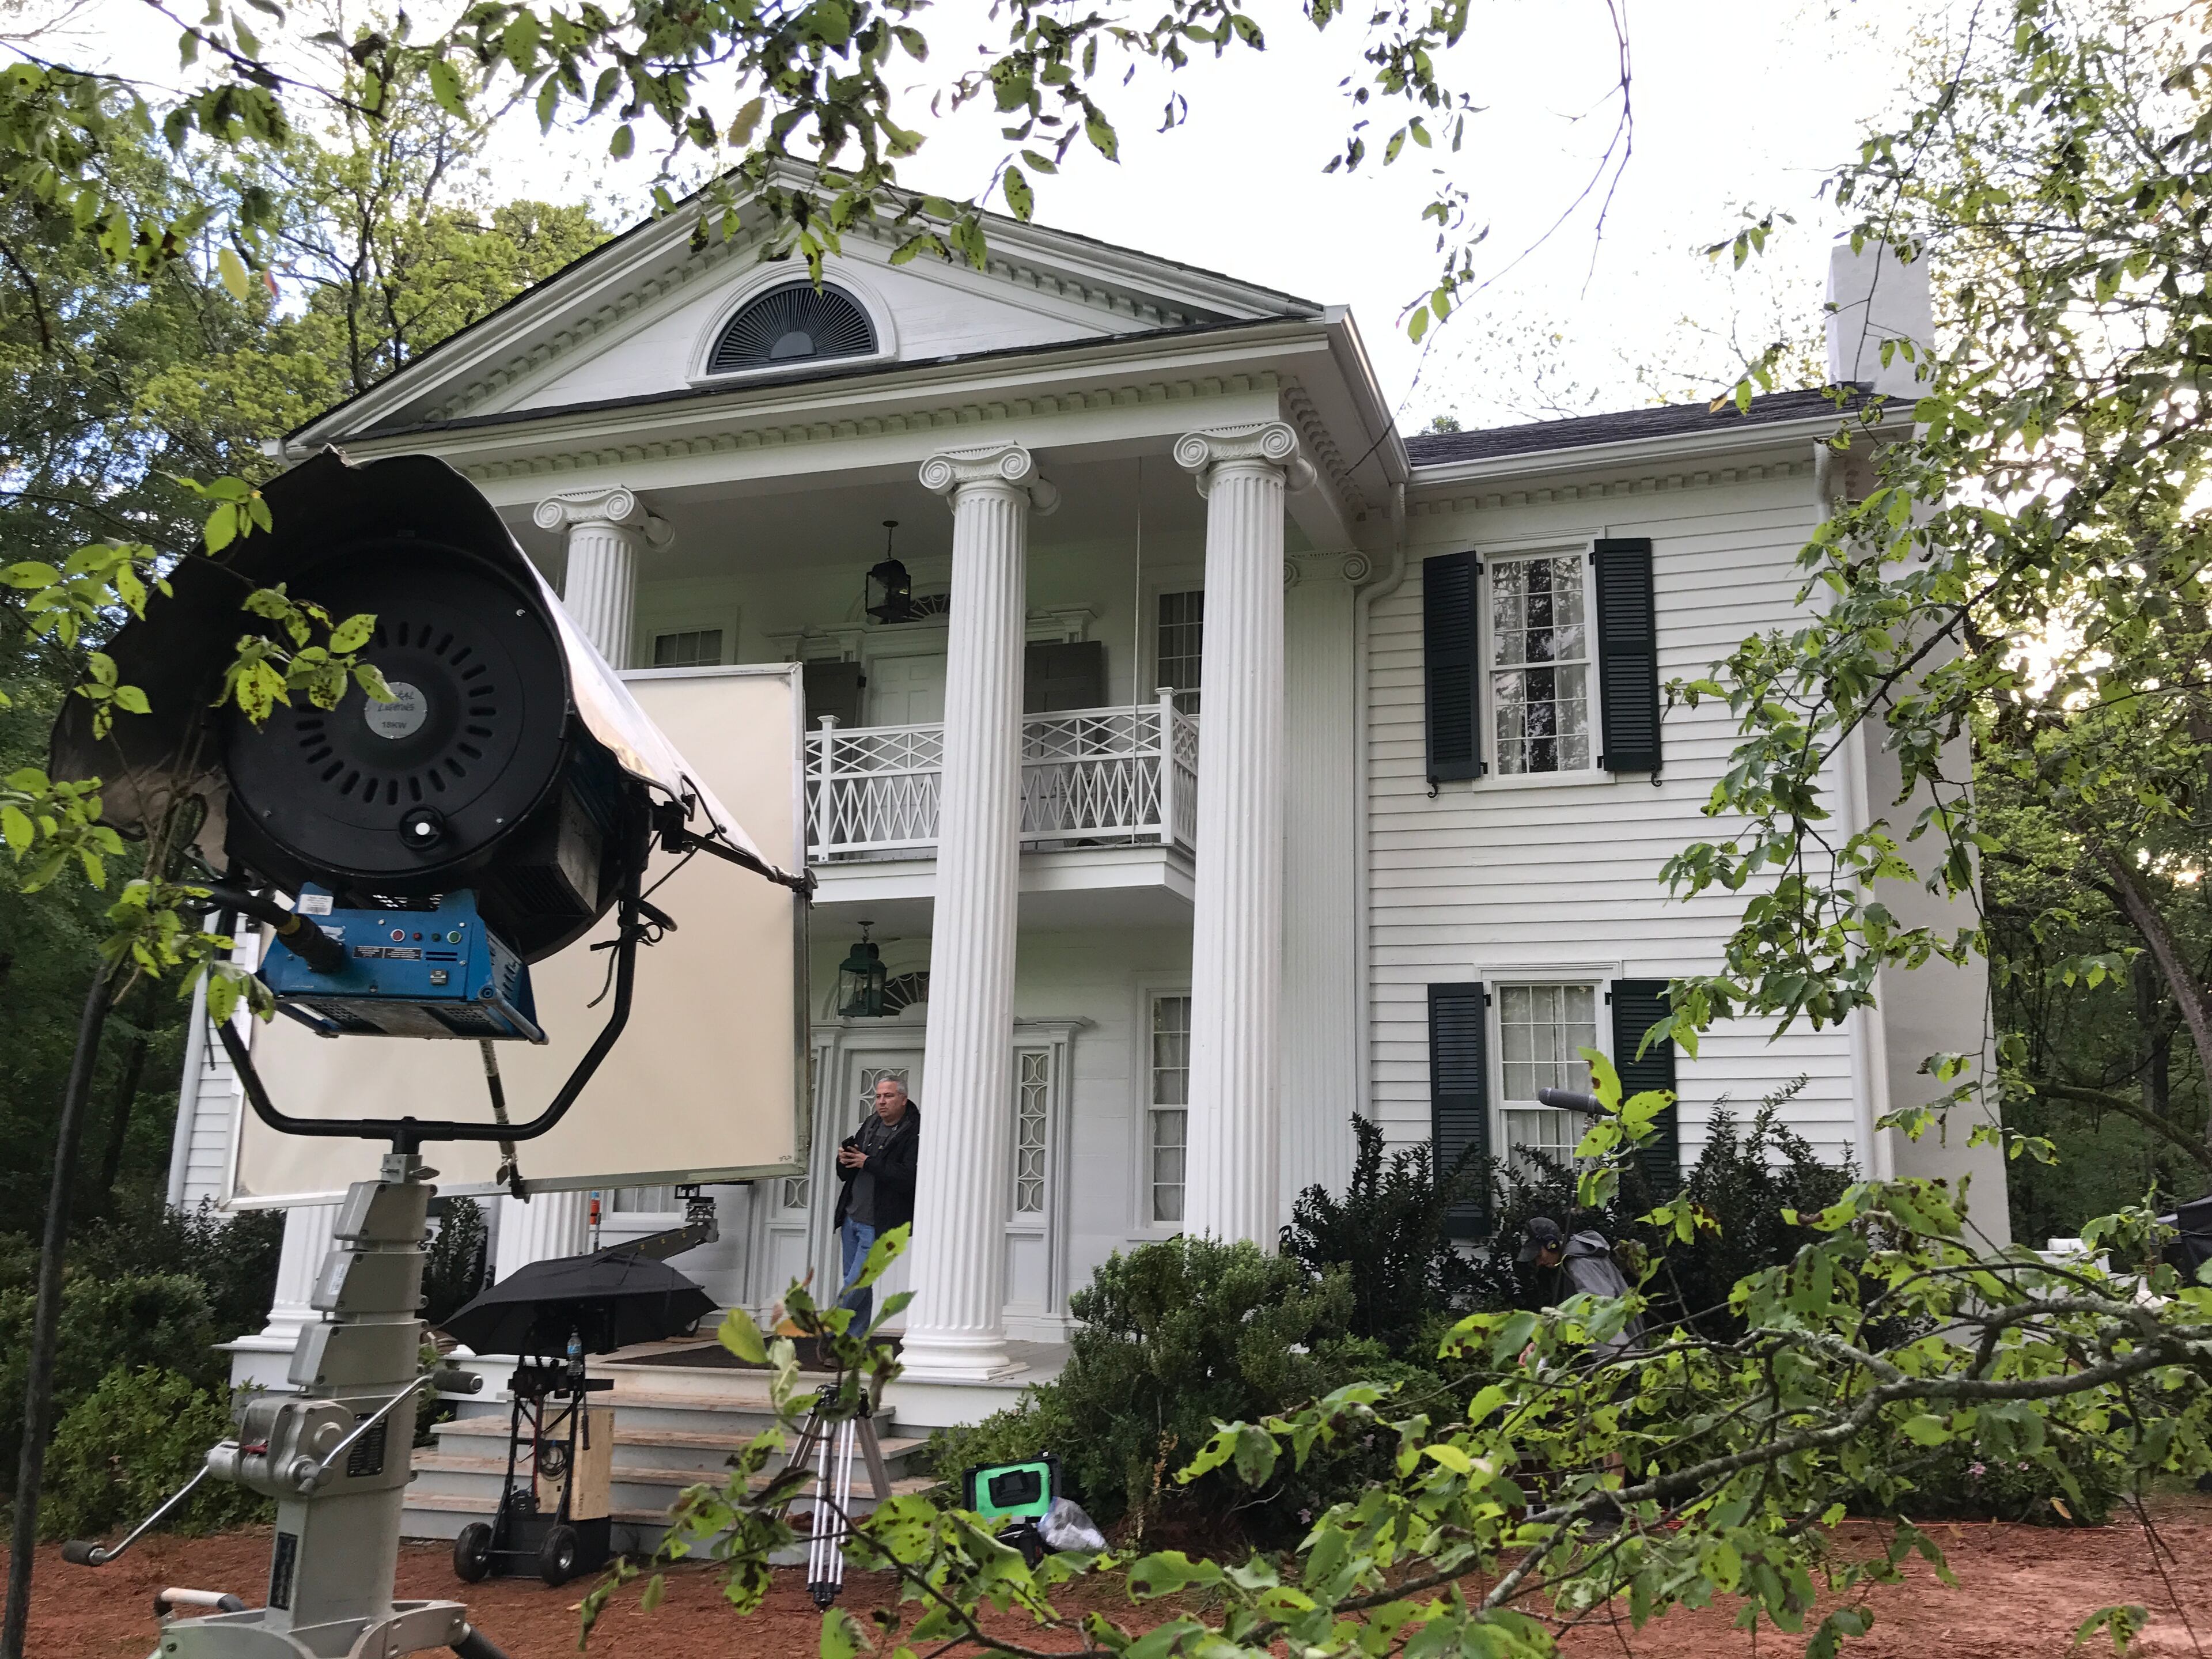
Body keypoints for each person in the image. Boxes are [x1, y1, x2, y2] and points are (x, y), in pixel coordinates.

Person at [832, 1076, 919, 1334]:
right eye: (879, 1096)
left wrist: (868, 1162)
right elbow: (848, 1173)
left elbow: (908, 1177)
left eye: (889, 1096)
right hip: (852, 1217)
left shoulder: (914, 1131)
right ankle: (853, 1341)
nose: (882, 1102)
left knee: (857, 1283)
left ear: (903, 1099)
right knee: (860, 1284)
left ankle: (830, 1328)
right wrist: (845, 1159)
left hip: (880, 1223)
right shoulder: (870, 1124)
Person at [1518, 1216, 1646, 1357]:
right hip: (1616, 1347)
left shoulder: (1579, 1262)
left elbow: (1599, 1309)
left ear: (1552, 1244)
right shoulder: (1568, 1263)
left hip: (1621, 1350)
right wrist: (1540, 1342)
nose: (1539, 1262)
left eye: (1539, 1255)